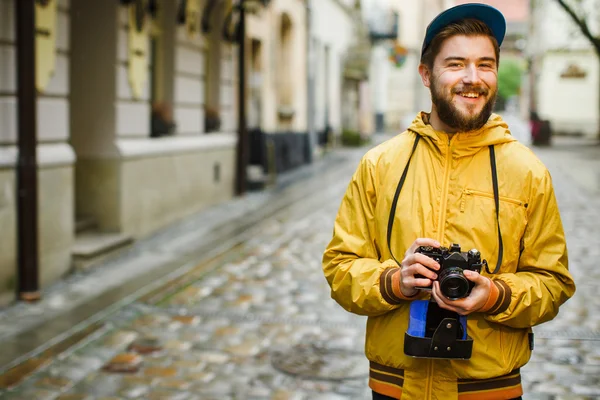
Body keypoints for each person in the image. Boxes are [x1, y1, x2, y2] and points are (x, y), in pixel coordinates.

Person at [322, 4, 575, 400]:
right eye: (456, 64)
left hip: (489, 390)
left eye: (485, 64)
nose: (473, 78)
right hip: (395, 387)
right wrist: (395, 282)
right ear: (426, 74)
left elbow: (553, 282)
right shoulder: (379, 165)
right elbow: (340, 268)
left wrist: (495, 295)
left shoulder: (529, 173)